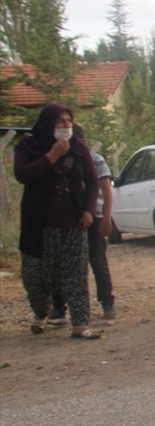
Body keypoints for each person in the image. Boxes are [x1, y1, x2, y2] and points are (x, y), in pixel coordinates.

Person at [14, 104, 102, 339]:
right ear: (47, 123)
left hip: (73, 222)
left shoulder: (78, 148)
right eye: (60, 121)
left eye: (69, 121)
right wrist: (52, 155)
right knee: (35, 276)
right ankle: (41, 312)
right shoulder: (28, 147)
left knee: (76, 273)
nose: (66, 126)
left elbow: (92, 181)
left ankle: (80, 323)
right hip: (38, 224)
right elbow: (22, 175)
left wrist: (89, 210)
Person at [49, 123, 117, 324]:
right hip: (68, 219)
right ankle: (59, 307)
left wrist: (107, 218)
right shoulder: (59, 162)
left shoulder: (95, 160)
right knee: (63, 264)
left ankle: (107, 302)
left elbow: (106, 191)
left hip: (93, 217)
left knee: (98, 261)